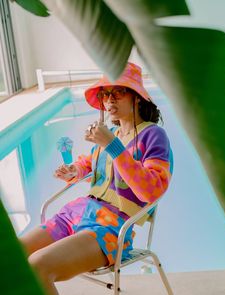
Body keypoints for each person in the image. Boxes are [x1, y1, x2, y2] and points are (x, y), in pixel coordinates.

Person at [20, 62, 173, 295]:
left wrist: (112, 146)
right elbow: (90, 162)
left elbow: (151, 191)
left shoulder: (152, 135)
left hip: (112, 227)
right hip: (75, 213)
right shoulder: (111, 134)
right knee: (11, 257)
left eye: (118, 92)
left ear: (137, 97)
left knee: (37, 266)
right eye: (105, 94)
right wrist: (74, 171)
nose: (109, 100)